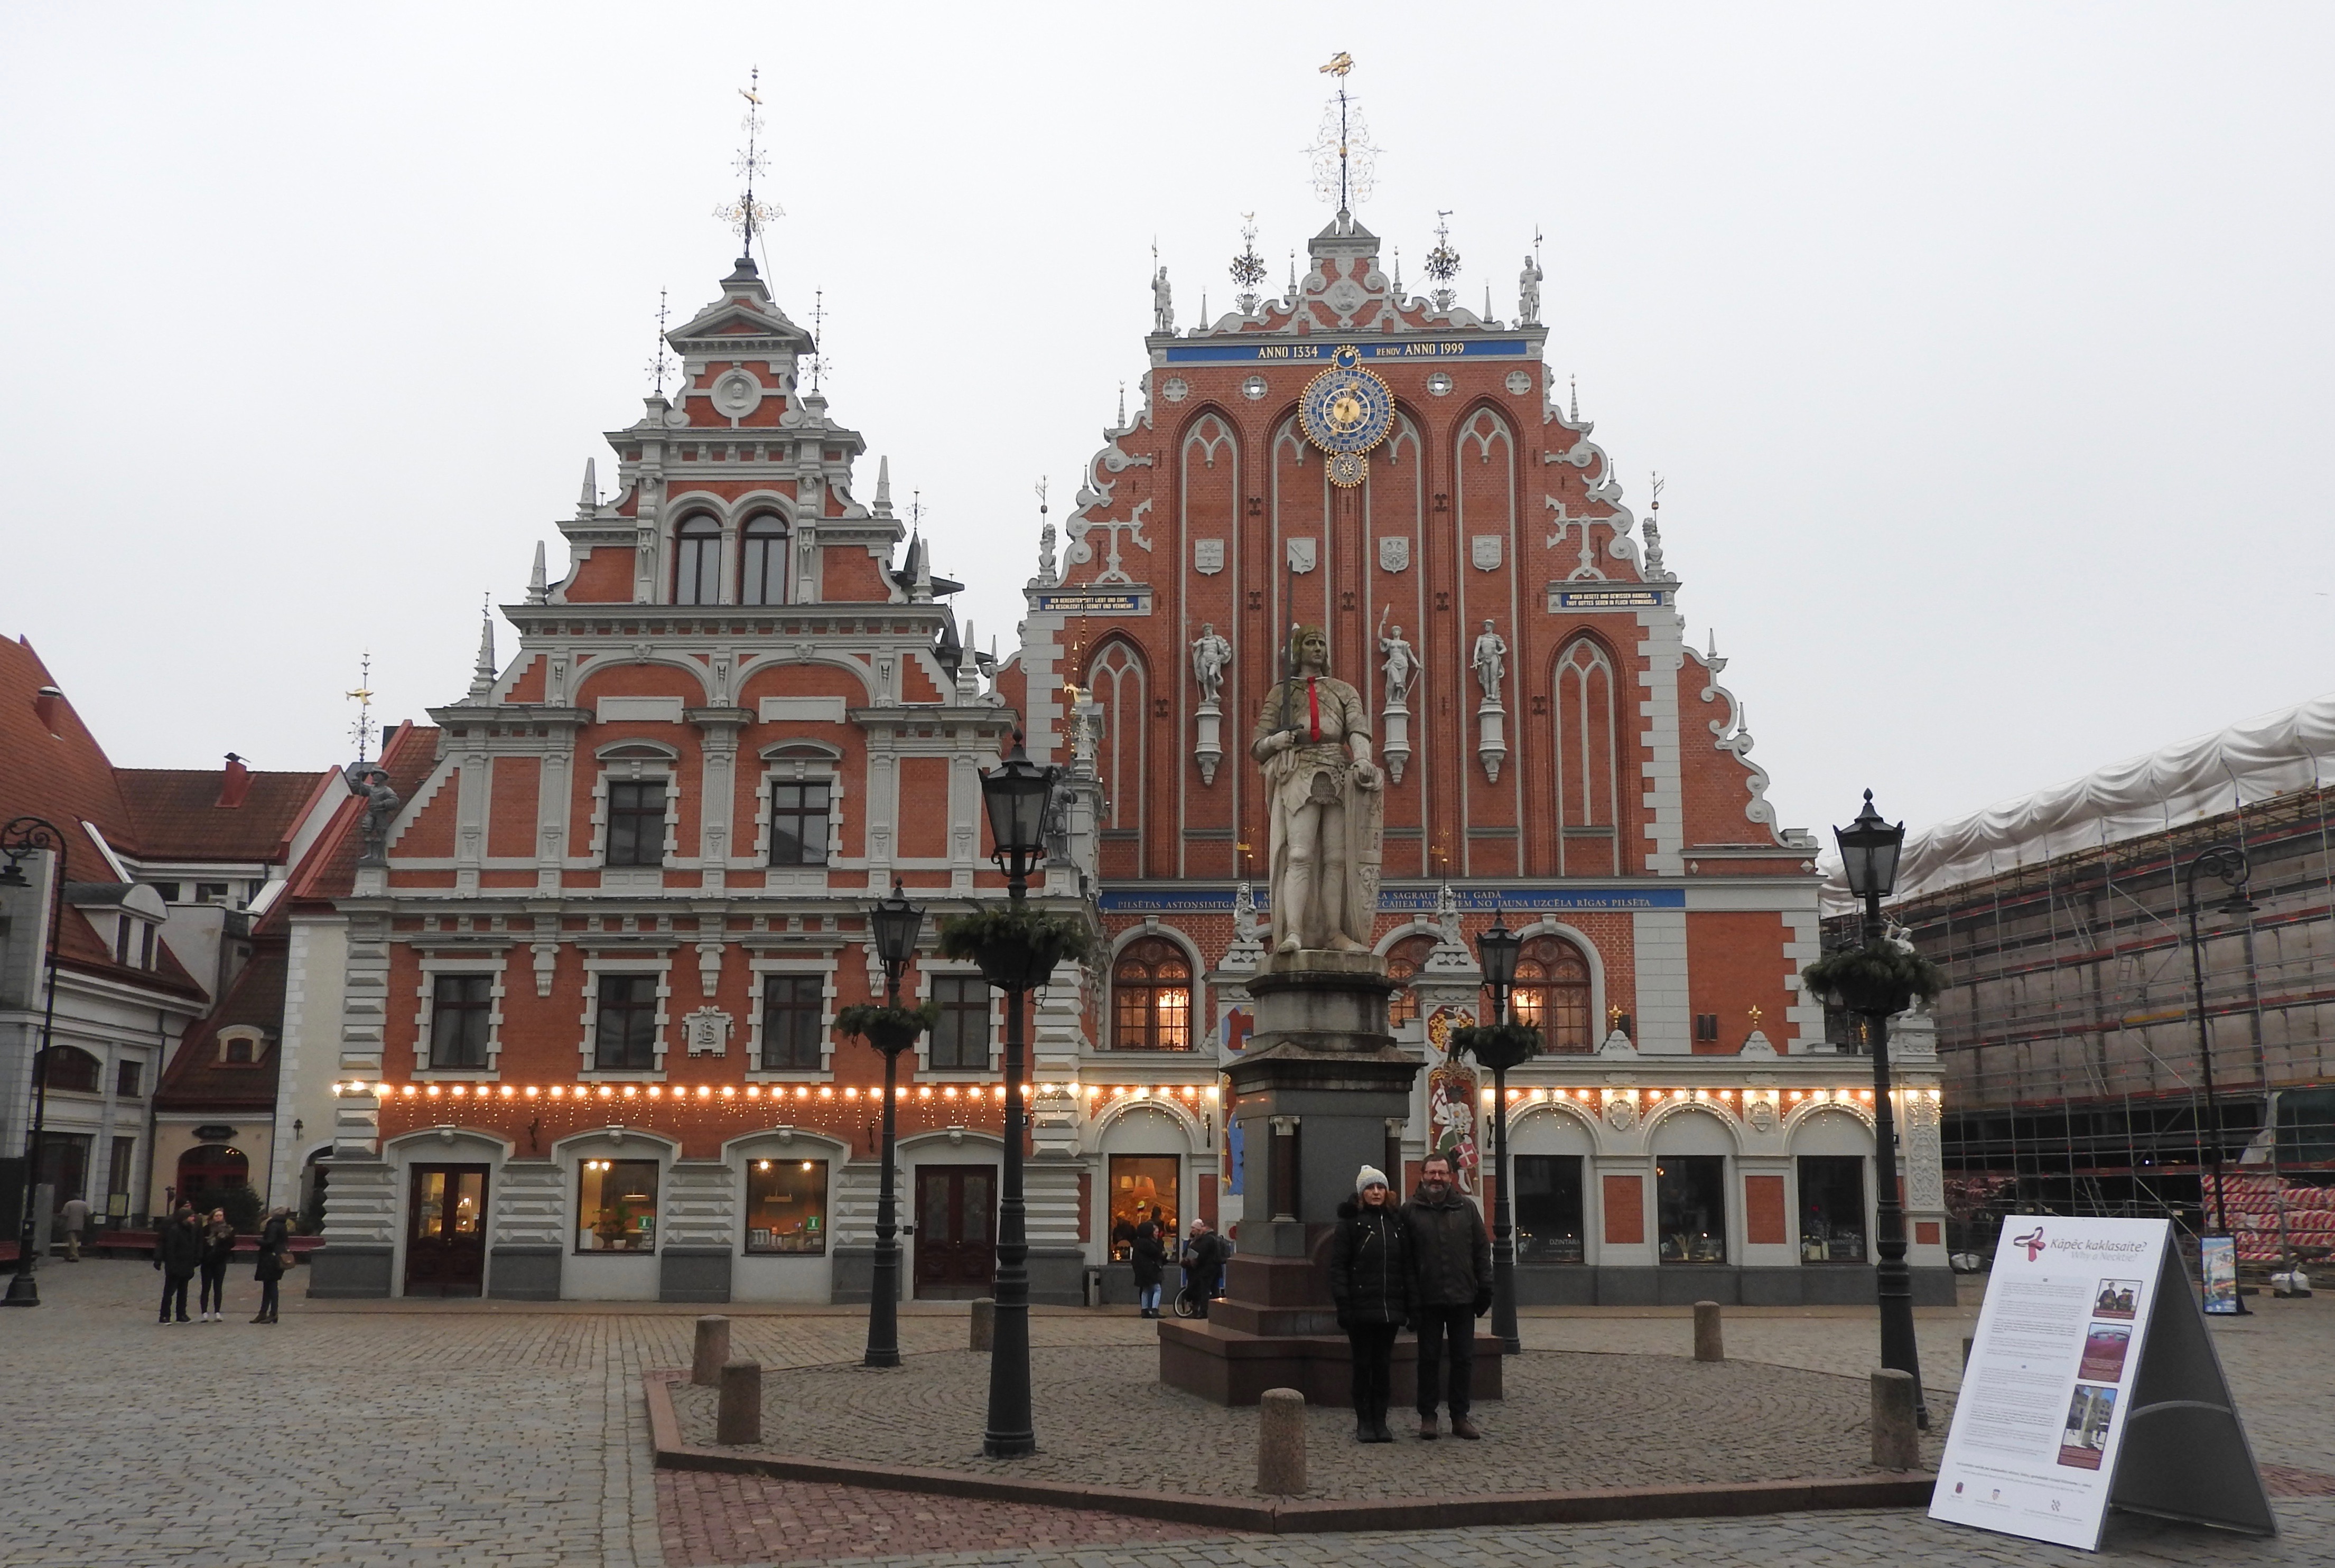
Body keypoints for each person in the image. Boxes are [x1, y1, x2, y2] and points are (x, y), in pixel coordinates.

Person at [1401, 1152, 1492, 1440]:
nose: (1437, 1178)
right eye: (1432, 1173)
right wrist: (1410, 1299)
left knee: (1463, 1360)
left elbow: (1481, 1250)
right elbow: (1405, 1259)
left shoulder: (1467, 1208)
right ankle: (1428, 1417)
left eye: (1442, 1173)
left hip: (1462, 1297)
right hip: (1427, 1299)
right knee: (1428, 1360)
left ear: (1451, 1177)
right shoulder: (1409, 1210)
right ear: (1423, 1176)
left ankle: (1460, 1417)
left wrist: (1485, 1288)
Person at [1329, 1164, 1415, 1444]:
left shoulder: (1396, 1223)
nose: (1376, 1192)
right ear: (1361, 1193)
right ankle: (1364, 1422)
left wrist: (1411, 1306)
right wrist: (1344, 1306)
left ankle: (1381, 1421)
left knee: (1383, 1367)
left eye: (1380, 1188)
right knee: (1363, 1365)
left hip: (1390, 1309)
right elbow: (1339, 1268)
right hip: (1361, 1309)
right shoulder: (1350, 1225)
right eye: (1370, 1188)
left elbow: (1407, 1267)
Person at [152, 1203, 201, 1324]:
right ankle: (165, 1315)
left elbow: (195, 1245)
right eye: (191, 1217)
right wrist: (169, 1263)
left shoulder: (191, 1230)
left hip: (187, 1263)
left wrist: (196, 1259)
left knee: (183, 1291)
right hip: (176, 1264)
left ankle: (181, 1314)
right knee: (170, 1291)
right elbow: (170, 1249)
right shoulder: (174, 1230)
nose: (193, 1219)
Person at [252, 1207, 291, 1324]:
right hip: (278, 1256)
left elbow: (270, 1242)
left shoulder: (273, 1225)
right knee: (270, 1284)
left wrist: (258, 1241)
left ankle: (272, 1313)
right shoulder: (283, 1224)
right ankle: (265, 1312)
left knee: (271, 1285)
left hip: (270, 1258)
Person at [197, 1207, 236, 1322]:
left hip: (220, 1261)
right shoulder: (207, 1229)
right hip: (207, 1262)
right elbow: (201, 1243)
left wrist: (224, 1241)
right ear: (212, 1217)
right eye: (217, 1216)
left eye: (221, 1215)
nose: (219, 1217)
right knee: (206, 1287)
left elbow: (232, 1244)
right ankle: (204, 1312)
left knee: (218, 1287)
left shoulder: (228, 1229)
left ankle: (217, 1312)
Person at [1182, 1219, 1226, 1319]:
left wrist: (1194, 1260)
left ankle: (1203, 1312)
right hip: (1216, 1269)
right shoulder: (1216, 1237)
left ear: (1205, 1227)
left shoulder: (1207, 1239)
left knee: (1204, 1291)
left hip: (1206, 1270)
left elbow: (1201, 1253)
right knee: (1215, 1291)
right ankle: (1217, 1312)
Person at [1130, 1213, 1166, 1319]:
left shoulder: (1138, 1243)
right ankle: (1155, 1310)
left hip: (1141, 1271)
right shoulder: (1147, 1243)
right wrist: (1164, 1256)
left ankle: (1145, 1310)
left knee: (1145, 1289)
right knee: (1157, 1289)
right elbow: (1157, 1253)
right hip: (1149, 1270)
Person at [58, 1194, 91, 1262]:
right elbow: (88, 1214)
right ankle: (68, 1255)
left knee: (72, 1241)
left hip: (70, 1225)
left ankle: (75, 1256)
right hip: (80, 1225)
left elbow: (65, 1214)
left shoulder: (69, 1204)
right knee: (74, 1241)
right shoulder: (84, 1204)